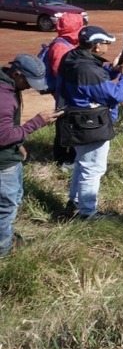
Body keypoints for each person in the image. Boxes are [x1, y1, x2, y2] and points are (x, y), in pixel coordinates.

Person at [60, 27, 123, 220]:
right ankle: (87, 213)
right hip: (91, 123)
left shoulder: (72, 58)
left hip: (75, 120)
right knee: (93, 168)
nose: (108, 46)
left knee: (82, 163)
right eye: (106, 43)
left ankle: (75, 203)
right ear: (95, 47)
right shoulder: (88, 69)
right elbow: (116, 95)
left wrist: (111, 71)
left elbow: (89, 86)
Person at [1, 55, 62, 255]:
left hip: (11, 154)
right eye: (28, 82)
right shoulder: (4, 99)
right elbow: (2, 137)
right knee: (6, 206)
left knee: (14, 199)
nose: (29, 87)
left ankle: (6, 234)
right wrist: (37, 122)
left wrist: (18, 143)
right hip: (3, 163)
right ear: (17, 74)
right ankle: (4, 250)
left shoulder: (9, 86)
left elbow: (8, 129)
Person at [43, 12, 82, 170]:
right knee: (66, 125)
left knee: (68, 123)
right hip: (66, 93)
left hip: (66, 91)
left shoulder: (67, 42)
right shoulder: (60, 46)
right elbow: (61, 72)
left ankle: (67, 156)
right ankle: (63, 159)